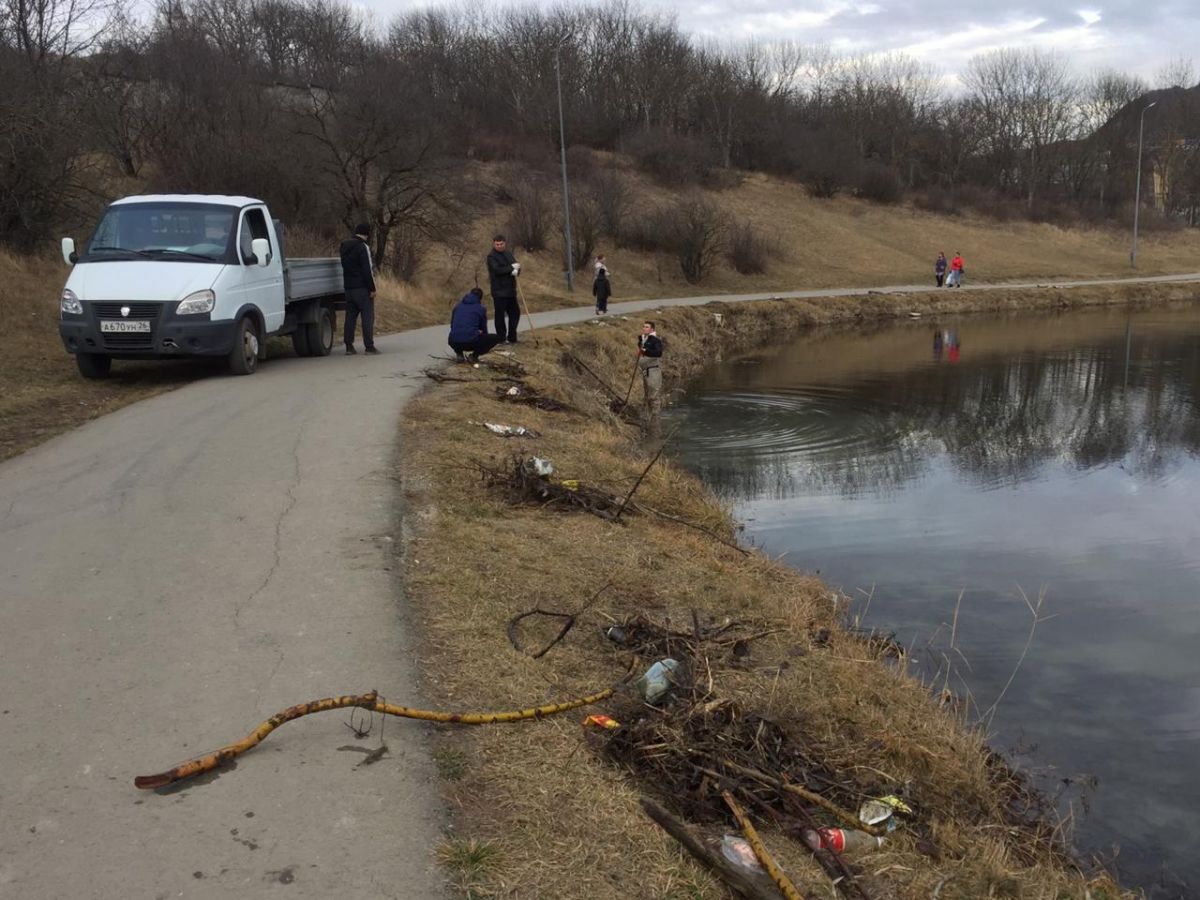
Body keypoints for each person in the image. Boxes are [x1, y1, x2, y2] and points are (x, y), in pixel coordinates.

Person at [340, 222, 378, 354]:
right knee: (367, 317)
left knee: (350, 318)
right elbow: (367, 269)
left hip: (348, 288)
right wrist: (372, 288)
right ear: (367, 234)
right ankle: (369, 346)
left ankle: (349, 346)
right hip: (362, 288)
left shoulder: (344, 246)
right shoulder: (363, 247)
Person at [448, 287, 503, 362]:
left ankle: (459, 354)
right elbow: (483, 329)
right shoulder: (480, 308)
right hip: (471, 342)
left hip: (453, 341)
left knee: (457, 334)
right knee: (496, 338)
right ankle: (474, 356)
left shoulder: (457, 306)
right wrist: (483, 342)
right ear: (480, 298)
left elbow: (452, 325)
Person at [486, 234, 521, 343]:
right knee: (500, 316)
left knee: (515, 313)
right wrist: (511, 268)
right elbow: (496, 270)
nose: (499, 246)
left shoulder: (508, 254)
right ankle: (501, 338)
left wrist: (517, 271)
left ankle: (512, 337)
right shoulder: (491, 256)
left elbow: (516, 265)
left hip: (511, 290)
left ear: (504, 243)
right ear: (494, 244)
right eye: (497, 244)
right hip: (499, 291)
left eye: (501, 244)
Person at [637, 321, 664, 435]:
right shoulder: (643, 339)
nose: (644, 328)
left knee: (653, 395)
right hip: (645, 371)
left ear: (652, 329)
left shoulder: (656, 340)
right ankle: (647, 417)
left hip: (653, 371)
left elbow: (658, 353)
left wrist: (645, 351)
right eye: (643, 326)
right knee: (647, 395)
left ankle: (655, 419)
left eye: (647, 327)